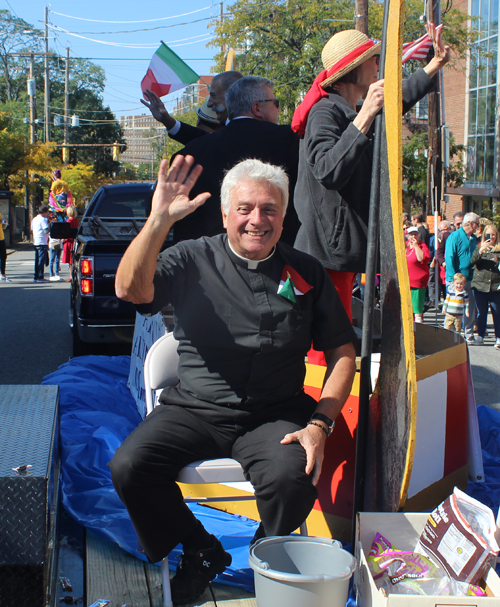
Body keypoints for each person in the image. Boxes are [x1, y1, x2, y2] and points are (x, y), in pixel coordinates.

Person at [110, 155, 357, 604]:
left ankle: (268, 553)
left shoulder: (306, 269)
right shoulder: (189, 259)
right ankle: (201, 548)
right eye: (245, 208)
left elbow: (343, 353)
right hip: (195, 408)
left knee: (292, 476)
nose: (256, 220)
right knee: (128, 466)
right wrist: (158, 220)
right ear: (225, 214)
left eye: (269, 209)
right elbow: (130, 289)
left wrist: (321, 424)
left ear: (284, 216)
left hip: (277, 413)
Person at [291, 23, 449, 363]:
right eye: (372, 58)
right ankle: (320, 411)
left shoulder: (342, 109)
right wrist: (363, 118)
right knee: (326, 346)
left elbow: (394, 102)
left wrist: (433, 65)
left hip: (334, 252)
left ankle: (323, 408)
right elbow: (327, 170)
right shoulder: (325, 111)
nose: (378, 63)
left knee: (332, 340)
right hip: (325, 255)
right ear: (352, 69)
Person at [170, 76, 300, 245]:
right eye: (276, 103)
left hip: (207, 258)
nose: (278, 110)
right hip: (277, 256)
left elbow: (178, 218)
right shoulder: (293, 141)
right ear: (257, 108)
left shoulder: (192, 153)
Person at [141, 71, 243, 145]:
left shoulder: (245, 135)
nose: (209, 103)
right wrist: (167, 120)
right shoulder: (219, 140)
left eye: (213, 95)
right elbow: (200, 139)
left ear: (231, 97)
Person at [444, 212, 480, 342]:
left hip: (470, 278)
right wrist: (454, 279)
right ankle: (449, 334)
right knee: (454, 309)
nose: (478, 227)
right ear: (471, 224)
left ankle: (468, 333)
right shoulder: (455, 236)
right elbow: (449, 257)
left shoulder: (474, 238)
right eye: (477, 224)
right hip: (456, 280)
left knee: (469, 306)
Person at [470, 224, 500, 348]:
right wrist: (481, 250)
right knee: (481, 313)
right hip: (480, 286)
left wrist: (497, 260)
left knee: (497, 312)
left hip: (495, 287)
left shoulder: (498, 249)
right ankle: (480, 336)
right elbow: (472, 262)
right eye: (488, 234)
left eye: (493, 234)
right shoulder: (479, 248)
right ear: (484, 235)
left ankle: (498, 338)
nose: (491, 237)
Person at [405, 227, 430, 323]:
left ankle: (418, 325)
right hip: (406, 281)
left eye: (415, 234)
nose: (413, 236)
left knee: (417, 307)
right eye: (411, 234)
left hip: (417, 281)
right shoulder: (406, 245)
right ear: (407, 236)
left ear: (419, 235)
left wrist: (416, 246)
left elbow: (421, 258)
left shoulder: (422, 245)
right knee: (408, 307)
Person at [31, 205, 51, 283]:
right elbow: (46, 230)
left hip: (36, 241)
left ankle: (36, 276)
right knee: (41, 260)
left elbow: (32, 229)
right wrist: (51, 225)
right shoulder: (43, 220)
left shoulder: (34, 219)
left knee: (37, 259)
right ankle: (40, 276)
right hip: (42, 241)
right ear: (45, 212)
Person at [62, 206, 79, 282]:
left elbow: (65, 232)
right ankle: (75, 275)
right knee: (74, 259)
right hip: (74, 241)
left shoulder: (67, 221)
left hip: (68, 241)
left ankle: (71, 276)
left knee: (70, 260)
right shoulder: (76, 221)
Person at [48, 214, 63, 281]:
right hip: (53, 243)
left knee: (57, 259)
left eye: (55, 217)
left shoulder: (59, 225)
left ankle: (57, 274)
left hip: (59, 243)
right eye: (52, 217)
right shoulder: (50, 226)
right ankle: (51, 275)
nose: (55, 219)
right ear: (50, 219)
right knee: (52, 259)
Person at [0, 212, 11, 282]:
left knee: (3, 256)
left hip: (1, 238)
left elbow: (3, 226)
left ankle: (3, 274)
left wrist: (5, 223)